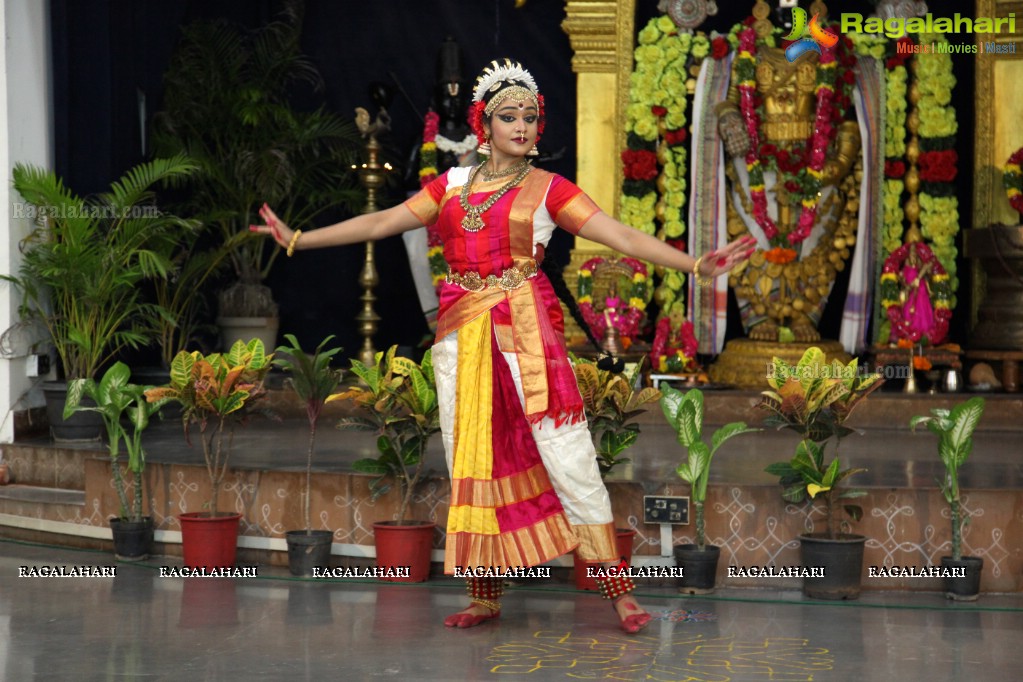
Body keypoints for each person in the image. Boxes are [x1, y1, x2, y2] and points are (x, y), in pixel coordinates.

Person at [252, 58, 754, 634]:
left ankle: (619, 593)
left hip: (527, 337)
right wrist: (297, 240)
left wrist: (694, 263)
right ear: (483, 124)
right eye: (508, 116)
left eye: (531, 117)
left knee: (568, 455)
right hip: (462, 340)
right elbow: (382, 223)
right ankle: (485, 595)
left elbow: (619, 234)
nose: (521, 126)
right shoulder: (452, 187)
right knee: (473, 460)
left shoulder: (549, 189)